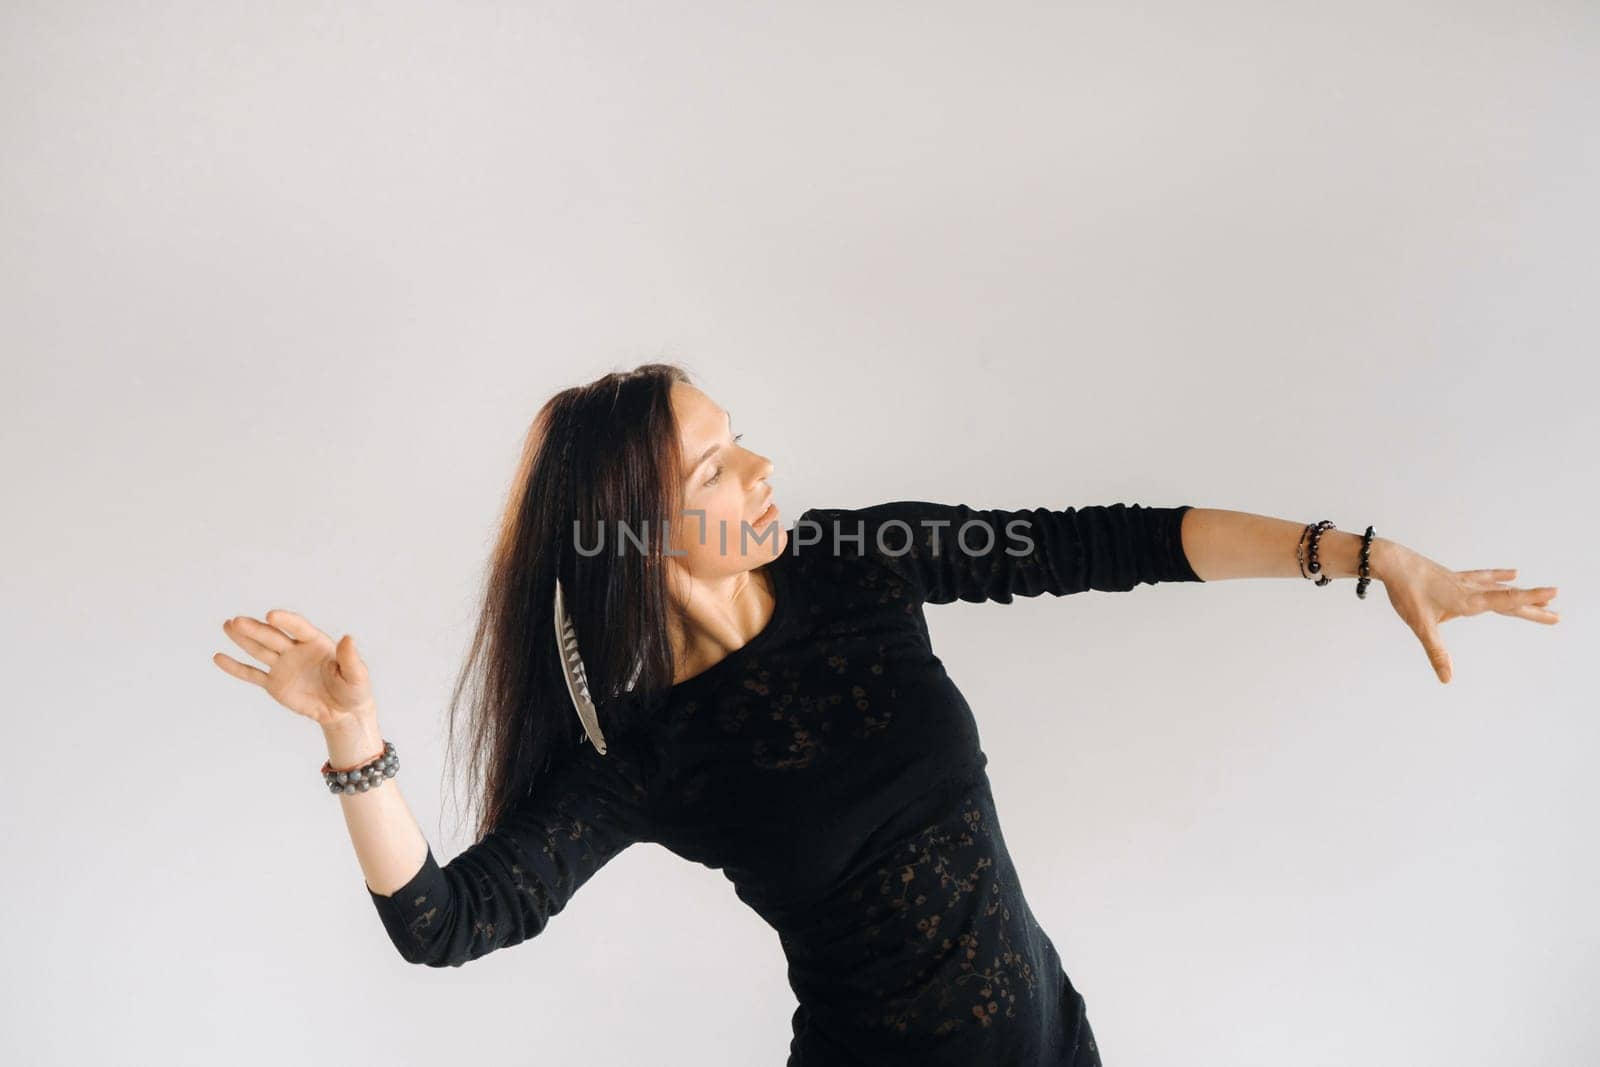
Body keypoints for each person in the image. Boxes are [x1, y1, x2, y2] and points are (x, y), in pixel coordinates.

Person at [212, 363, 1559, 1065]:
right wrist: (353, 741)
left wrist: (1364, 553)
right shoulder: (649, 753)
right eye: (719, 459)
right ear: (637, 525)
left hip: (1052, 1040)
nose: (764, 466)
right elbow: (448, 925)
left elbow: (1101, 542)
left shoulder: (856, 564)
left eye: (744, 437)